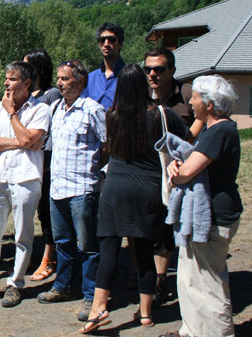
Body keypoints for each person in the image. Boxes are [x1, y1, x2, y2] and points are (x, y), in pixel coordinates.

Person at [79, 65, 189, 334]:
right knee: (143, 253)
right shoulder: (161, 114)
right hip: (148, 190)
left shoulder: (112, 116)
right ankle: (146, 314)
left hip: (115, 189)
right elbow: (187, 142)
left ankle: (98, 308)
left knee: (108, 251)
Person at [165, 75, 241, 337]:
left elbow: (187, 172)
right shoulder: (212, 130)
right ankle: (193, 330)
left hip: (213, 218)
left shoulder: (220, 131)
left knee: (208, 285)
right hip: (204, 217)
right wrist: (177, 166)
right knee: (190, 280)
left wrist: (177, 170)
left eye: (196, 97)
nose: (192, 101)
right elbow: (185, 164)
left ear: (209, 103)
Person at [0, 62, 50, 308]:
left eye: (12, 79)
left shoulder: (41, 109)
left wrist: (13, 114)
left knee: (23, 236)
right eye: (6, 78)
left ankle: (16, 284)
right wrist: (21, 141)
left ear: (27, 83)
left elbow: (29, 137)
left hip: (26, 178)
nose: (6, 83)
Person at [36, 60, 106, 323]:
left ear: (80, 81)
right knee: (63, 242)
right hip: (58, 189)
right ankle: (63, 286)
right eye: (59, 78)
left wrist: (96, 172)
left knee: (88, 245)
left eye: (65, 79)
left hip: (83, 188)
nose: (59, 83)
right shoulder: (55, 109)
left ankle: (91, 296)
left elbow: (107, 144)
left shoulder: (92, 109)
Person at [144, 47, 202, 307]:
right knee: (154, 229)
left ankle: (172, 280)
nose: (153, 74)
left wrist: (188, 142)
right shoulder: (143, 96)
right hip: (150, 171)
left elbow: (207, 117)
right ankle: (153, 279)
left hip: (184, 172)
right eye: (148, 69)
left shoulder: (187, 94)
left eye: (159, 69)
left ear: (172, 70)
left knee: (178, 228)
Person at [23, 49, 62, 282]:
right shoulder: (28, 94)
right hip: (29, 161)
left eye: (28, 65)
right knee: (36, 211)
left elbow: (51, 129)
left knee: (48, 212)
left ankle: (49, 257)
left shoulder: (51, 94)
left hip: (47, 162)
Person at [83, 22, 126, 111]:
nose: (106, 44)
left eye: (111, 40)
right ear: (99, 44)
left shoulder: (129, 76)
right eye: (102, 40)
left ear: (120, 43)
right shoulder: (90, 78)